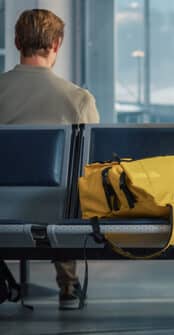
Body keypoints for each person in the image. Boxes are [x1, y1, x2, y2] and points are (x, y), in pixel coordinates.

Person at [0, 9, 99, 310]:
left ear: (17, 42)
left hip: (1, 206)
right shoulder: (78, 99)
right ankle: (68, 286)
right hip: (56, 208)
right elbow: (92, 164)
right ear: (57, 44)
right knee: (70, 189)